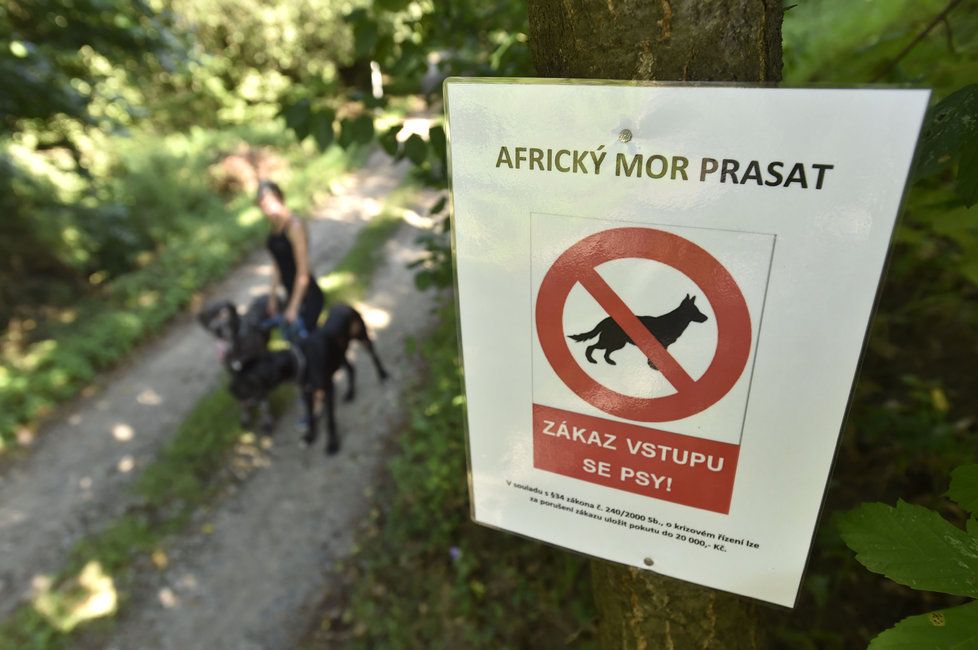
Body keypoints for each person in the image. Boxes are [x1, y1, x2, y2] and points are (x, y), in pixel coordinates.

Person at [256, 180, 324, 335]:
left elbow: (303, 271)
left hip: (307, 295)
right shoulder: (274, 228)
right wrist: (272, 296)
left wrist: (294, 306)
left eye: (270, 203)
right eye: (263, 206)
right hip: (290, 293)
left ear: (280, 198)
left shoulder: (294, 226)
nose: (267, 210)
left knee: (310, 344)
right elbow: (277, 263)